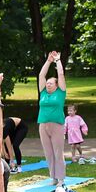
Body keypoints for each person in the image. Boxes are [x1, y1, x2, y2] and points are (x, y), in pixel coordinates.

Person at [36, 51, 68, 185]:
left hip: (57, 125)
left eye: (50, 83)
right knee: (48, 153)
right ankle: (53, 178)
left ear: (56, 85)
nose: (48, 84)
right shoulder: (43, 92)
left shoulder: (60, 93)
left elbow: (60, 74)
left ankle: (60, 178)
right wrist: (48, 61)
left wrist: (57, 60)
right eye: (47, 83)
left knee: (57, 152)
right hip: (43, 125)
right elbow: (41, 75)